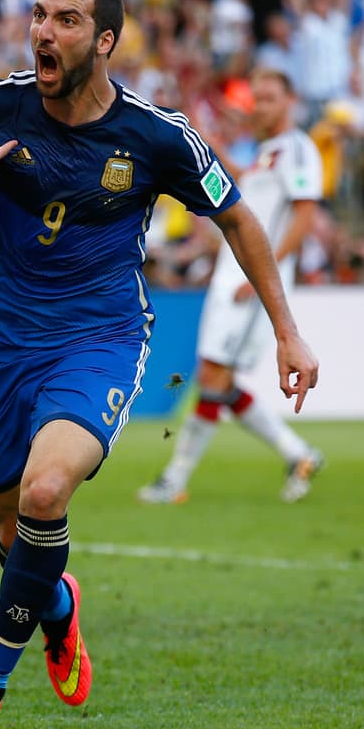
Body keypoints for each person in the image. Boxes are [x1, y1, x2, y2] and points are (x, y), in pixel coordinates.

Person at [0, 0, 319, 729]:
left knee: (45, 490)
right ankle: (58, 607)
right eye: (38, 14)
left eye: (64, 20)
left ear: (104, 41)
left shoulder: (157, 136)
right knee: (12, 534)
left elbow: (237, 217)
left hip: (98, 338)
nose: (42, 31)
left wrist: (287, 328)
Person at [139, 69, 325, 506]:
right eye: (255, 99)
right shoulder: (269, 153)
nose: (258, 107)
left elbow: (303, 216)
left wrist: (265, 278)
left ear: (289, 102)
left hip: (252, 281)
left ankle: (175, 478)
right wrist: (204, 138)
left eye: (268, 99)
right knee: (216, 379)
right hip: (233, 276)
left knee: (213, 376)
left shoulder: (298, 149)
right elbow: (243, 183)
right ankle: (299, 454)